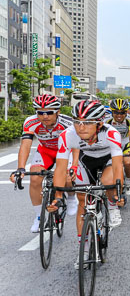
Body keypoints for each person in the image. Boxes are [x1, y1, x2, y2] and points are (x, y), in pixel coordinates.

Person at [52, 101, 125, 259]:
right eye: (77, 122)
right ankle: (84, 248)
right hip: (86, 161)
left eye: (87, 123)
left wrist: (119, 193)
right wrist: (58, 197)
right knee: (82, 200)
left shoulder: (111, 133)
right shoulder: (67, 135)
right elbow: (60, 168)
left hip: (107, 160)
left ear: (99, 124)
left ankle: (112, 207)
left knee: (107, 182)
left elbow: (118, 166)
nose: (81, 127)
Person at [11, 95, 77, 232]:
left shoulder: (68, 123)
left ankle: (71, 197)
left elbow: (76, 147)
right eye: (40, 113)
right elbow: (25, 145)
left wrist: (74, 166)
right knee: (35, 179)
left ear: (57, 112)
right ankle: (39, 216)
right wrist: (21, 168)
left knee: (67, 177)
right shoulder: (31, 122)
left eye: (49, 112)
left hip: (65, 151)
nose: (45, 116)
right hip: (45, 151)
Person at [105, 99, 130, 196]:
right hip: (112, 144)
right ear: (112, 112)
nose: (119, 115)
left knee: (127, 162)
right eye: (116, 112)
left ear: (126, 112)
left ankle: (128, 181)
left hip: (125, 142)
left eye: (122, 113)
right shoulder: (107, 120)